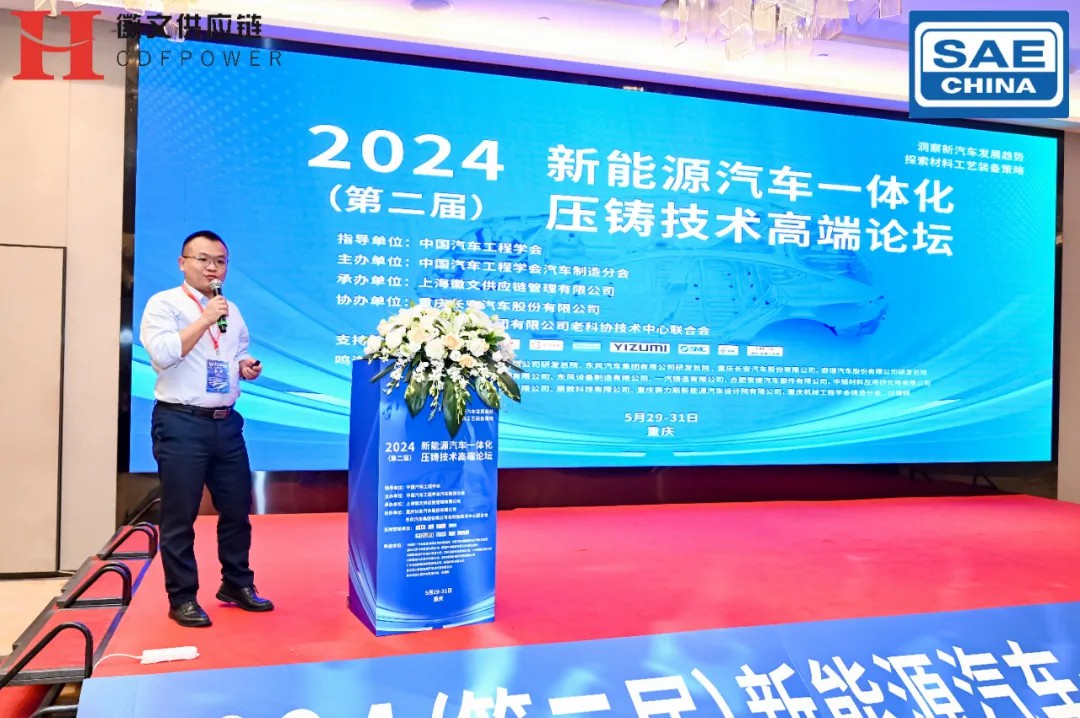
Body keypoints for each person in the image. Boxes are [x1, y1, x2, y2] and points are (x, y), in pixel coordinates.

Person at [139, 229, 273, 627]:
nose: (212, 268)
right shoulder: (164, 304)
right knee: (180, 514)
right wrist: (204, 319)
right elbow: (164, 354)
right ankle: (181, 597)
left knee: (237, 509)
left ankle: (236, 583)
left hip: (226, 424)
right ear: (183, 263)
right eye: (203, 259)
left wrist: (245, 367)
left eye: (220, 261)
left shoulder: (231, 309)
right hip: (181, 423)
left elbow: (237, 350)